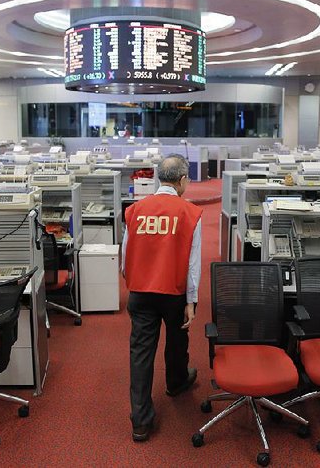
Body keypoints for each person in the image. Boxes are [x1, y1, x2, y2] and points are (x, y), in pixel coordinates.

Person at [122, 154, 202, 442]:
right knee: (177, 338)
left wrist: (132, 283)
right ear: (181, 180)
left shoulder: (135, 210)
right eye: (188, 179)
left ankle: (140, 422)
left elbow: (125, 255)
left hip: (141, 292)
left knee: (141, 352)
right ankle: (176, 381)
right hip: (174, 292)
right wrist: (191, 301)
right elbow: (193, 263)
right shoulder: (189, 212)